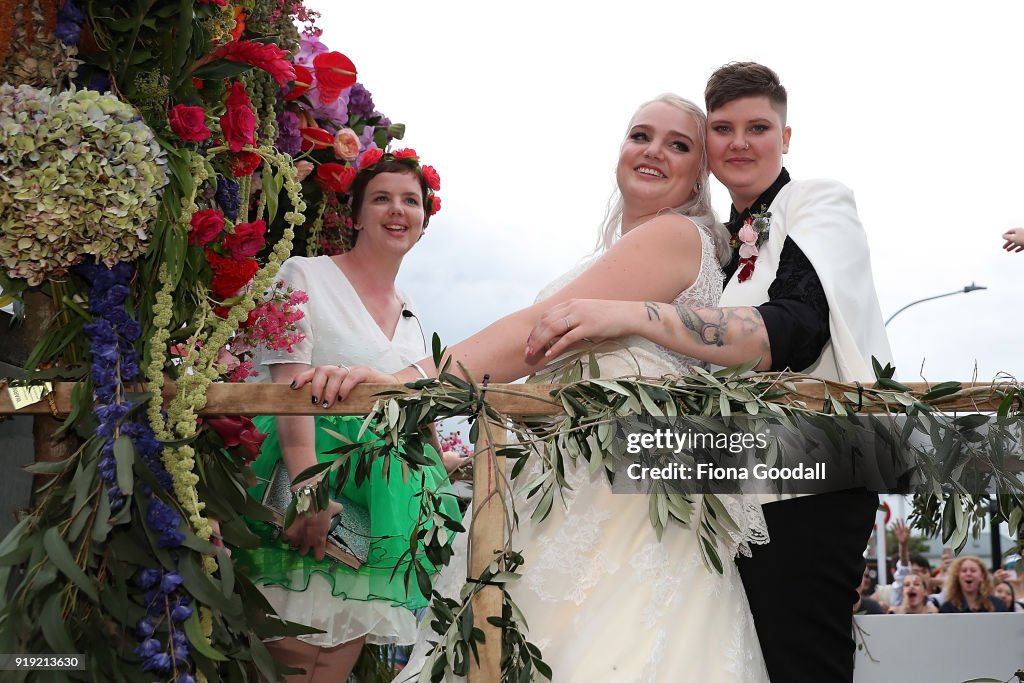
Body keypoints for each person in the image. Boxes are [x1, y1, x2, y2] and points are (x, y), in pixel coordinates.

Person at [296, 94, 772, 682]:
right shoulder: (624, 251)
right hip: (589, 484)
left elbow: (531, 336)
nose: (652, 151)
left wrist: (405, 386)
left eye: (678, 145)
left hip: (618, 499)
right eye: (640, 135)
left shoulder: (674, 235)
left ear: (701, 173)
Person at [523, 62, 892, 683]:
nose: (740, 142)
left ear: (786, 136)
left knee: (803, 662)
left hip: (811, 476)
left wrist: (636, 313)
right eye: (723, 128)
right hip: (727, 483)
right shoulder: (716, 245)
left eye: (759, 127)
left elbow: (795, 331)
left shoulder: (818, 201)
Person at [232, 151, 463, 682]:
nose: (397, 210)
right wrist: (310, 495)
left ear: (424, 221)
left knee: (335, 659)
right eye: (381, 198)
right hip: (304, 475)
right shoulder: (303, 273)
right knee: (292, 651)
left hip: (376, 501)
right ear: (355, 214)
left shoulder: (412, 313)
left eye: (410, 201)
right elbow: (286, 385)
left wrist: (438, 459)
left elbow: (418, 397)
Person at [939, 555, 1007, 613]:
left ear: (982, 576)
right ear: (957, 577)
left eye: (973, 570)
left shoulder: (997, 605)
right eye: (964, 571)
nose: (968, 574)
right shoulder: (948, 608)